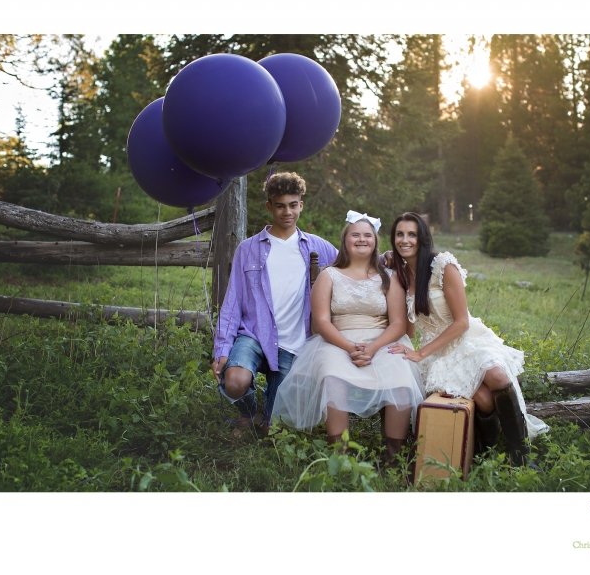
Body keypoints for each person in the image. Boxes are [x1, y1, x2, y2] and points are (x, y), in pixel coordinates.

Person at [386, 212, 548, 466]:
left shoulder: (442, 266)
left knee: (497, 376)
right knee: (483, 399)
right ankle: (483, 455)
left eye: (412, 234)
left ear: (423, 238)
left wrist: (420, 353)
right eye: (399, 234)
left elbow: (461, 322)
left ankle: (521, 456)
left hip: (466, 340)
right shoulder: (401, 275)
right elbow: (411, 330)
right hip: (438, 354)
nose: (405, 240)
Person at [271, 211, 425, 465]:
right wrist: (350, 347)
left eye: (367, 235)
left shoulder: (391, 276)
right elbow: (320, 322)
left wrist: (373, 347)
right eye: (355, 235)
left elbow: (398, 323)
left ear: (375, 242)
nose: (361, 239)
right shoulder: (328, 275)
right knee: (333, 378)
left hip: (382, 340)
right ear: (345, 241)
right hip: (337, 340)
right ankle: (340, 457)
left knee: (400, 377)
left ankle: (392, 457)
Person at [212, 172, 338, 433]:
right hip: (255, 334)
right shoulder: (248, 249)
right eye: (280, 206)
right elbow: (232, 302)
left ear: (301, 205)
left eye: (293, 205)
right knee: (235, 382)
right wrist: (222, 349)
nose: (287, 212)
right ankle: (248, 413)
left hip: (294, 342)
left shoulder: (319, 248)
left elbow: (354, 266)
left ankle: (267, 414)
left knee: (275, 427)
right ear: (270, 206)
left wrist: (388, 258)